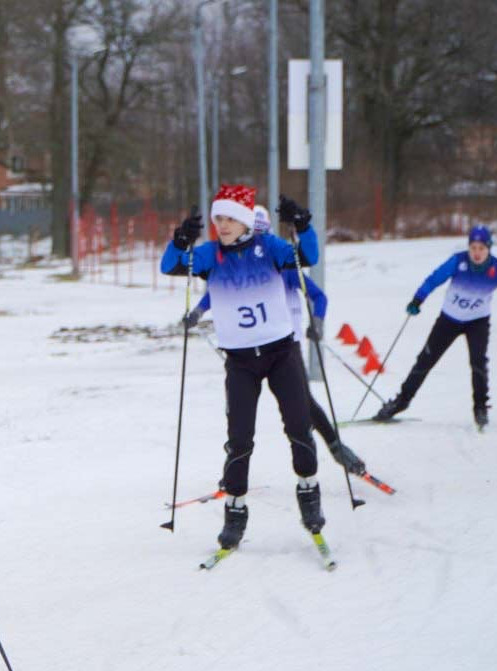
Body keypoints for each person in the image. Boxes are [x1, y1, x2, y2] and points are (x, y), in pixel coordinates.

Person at [162, 186, 321, 549]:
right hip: (240, 361)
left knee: (298, 426)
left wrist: (302, 226)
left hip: (282, 352)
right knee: (239, 439)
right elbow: (170, 266)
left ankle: (309, 494)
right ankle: (235, 512)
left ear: (247, 219)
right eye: (219, 218)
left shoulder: (271, 248)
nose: (223, 225)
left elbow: (307, 257)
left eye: (231, 217)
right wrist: (180, 241)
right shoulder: (209, 256)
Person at [184, 205, 368, 475]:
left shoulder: (281, 263)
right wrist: (198, 311)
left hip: (284, 345)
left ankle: (336, 447)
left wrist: (317, 322)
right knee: (236, 411)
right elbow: (216, 290)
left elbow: (318, 296)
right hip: (247, 344)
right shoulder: (232, 262)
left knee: (304, 404)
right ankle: (232, 467)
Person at [374, 225, 497, 429]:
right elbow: (434, 279)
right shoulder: (458, 261)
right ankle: (401, 401)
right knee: (425, 360)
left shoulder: (494, 268)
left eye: (481, 248)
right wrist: (418, 299)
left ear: (488, 248)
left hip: (477, 322)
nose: (476, 252)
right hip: (449, 320)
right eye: (473, 247)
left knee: (478, 362)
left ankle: (480, 407)